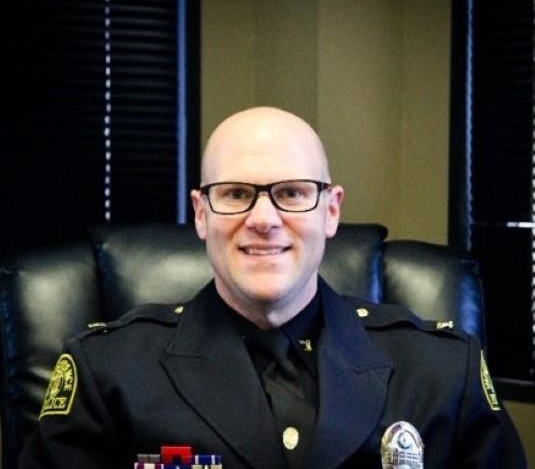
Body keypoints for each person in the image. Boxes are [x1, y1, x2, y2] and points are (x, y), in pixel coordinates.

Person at [19, 107, 526, 468]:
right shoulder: (108, 373)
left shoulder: (442, 370)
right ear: (201, 214)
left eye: (291, 193)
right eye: (236, 193)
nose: (264, 220)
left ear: (331, 211)